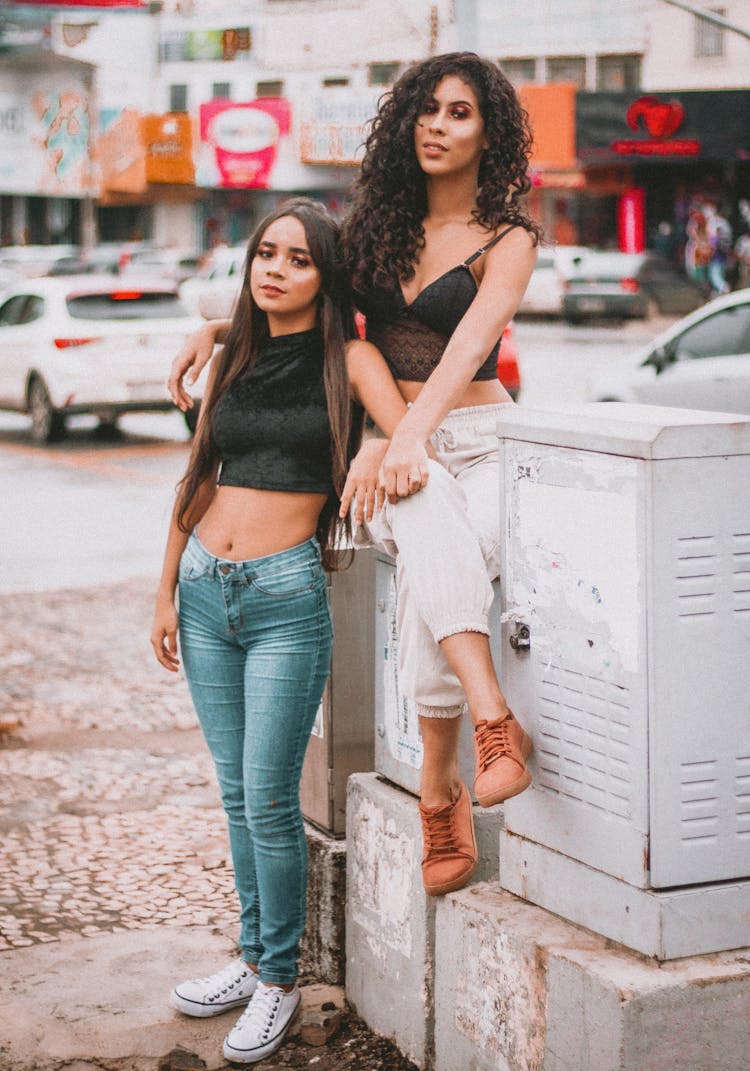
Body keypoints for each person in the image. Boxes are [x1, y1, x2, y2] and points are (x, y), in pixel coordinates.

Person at [168, 52, 540, 902]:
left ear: (489, 133)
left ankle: (443, 786)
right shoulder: (378, 224)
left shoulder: (508, 239)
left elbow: (468, 348)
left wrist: (400, 436)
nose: (437, 127)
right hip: (395, 448)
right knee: (419, 502)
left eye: (459, 114)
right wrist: (220, 331)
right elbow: (312, 310)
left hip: (480, 439)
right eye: (427, 110)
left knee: (422, 549)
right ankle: (490, 715)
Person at [151, 197, 407, 1065]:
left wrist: (372, 445)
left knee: (268, 800)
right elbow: (199, 473)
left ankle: (279, 980)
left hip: (285, 596)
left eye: (299, 259)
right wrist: (162, 591)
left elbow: (405, 427)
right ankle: (253, 954)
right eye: (267, 253)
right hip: (202, 591)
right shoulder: (236, 356)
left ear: (324, 276)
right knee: (236, 795)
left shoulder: (351, 357)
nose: (276, 270)